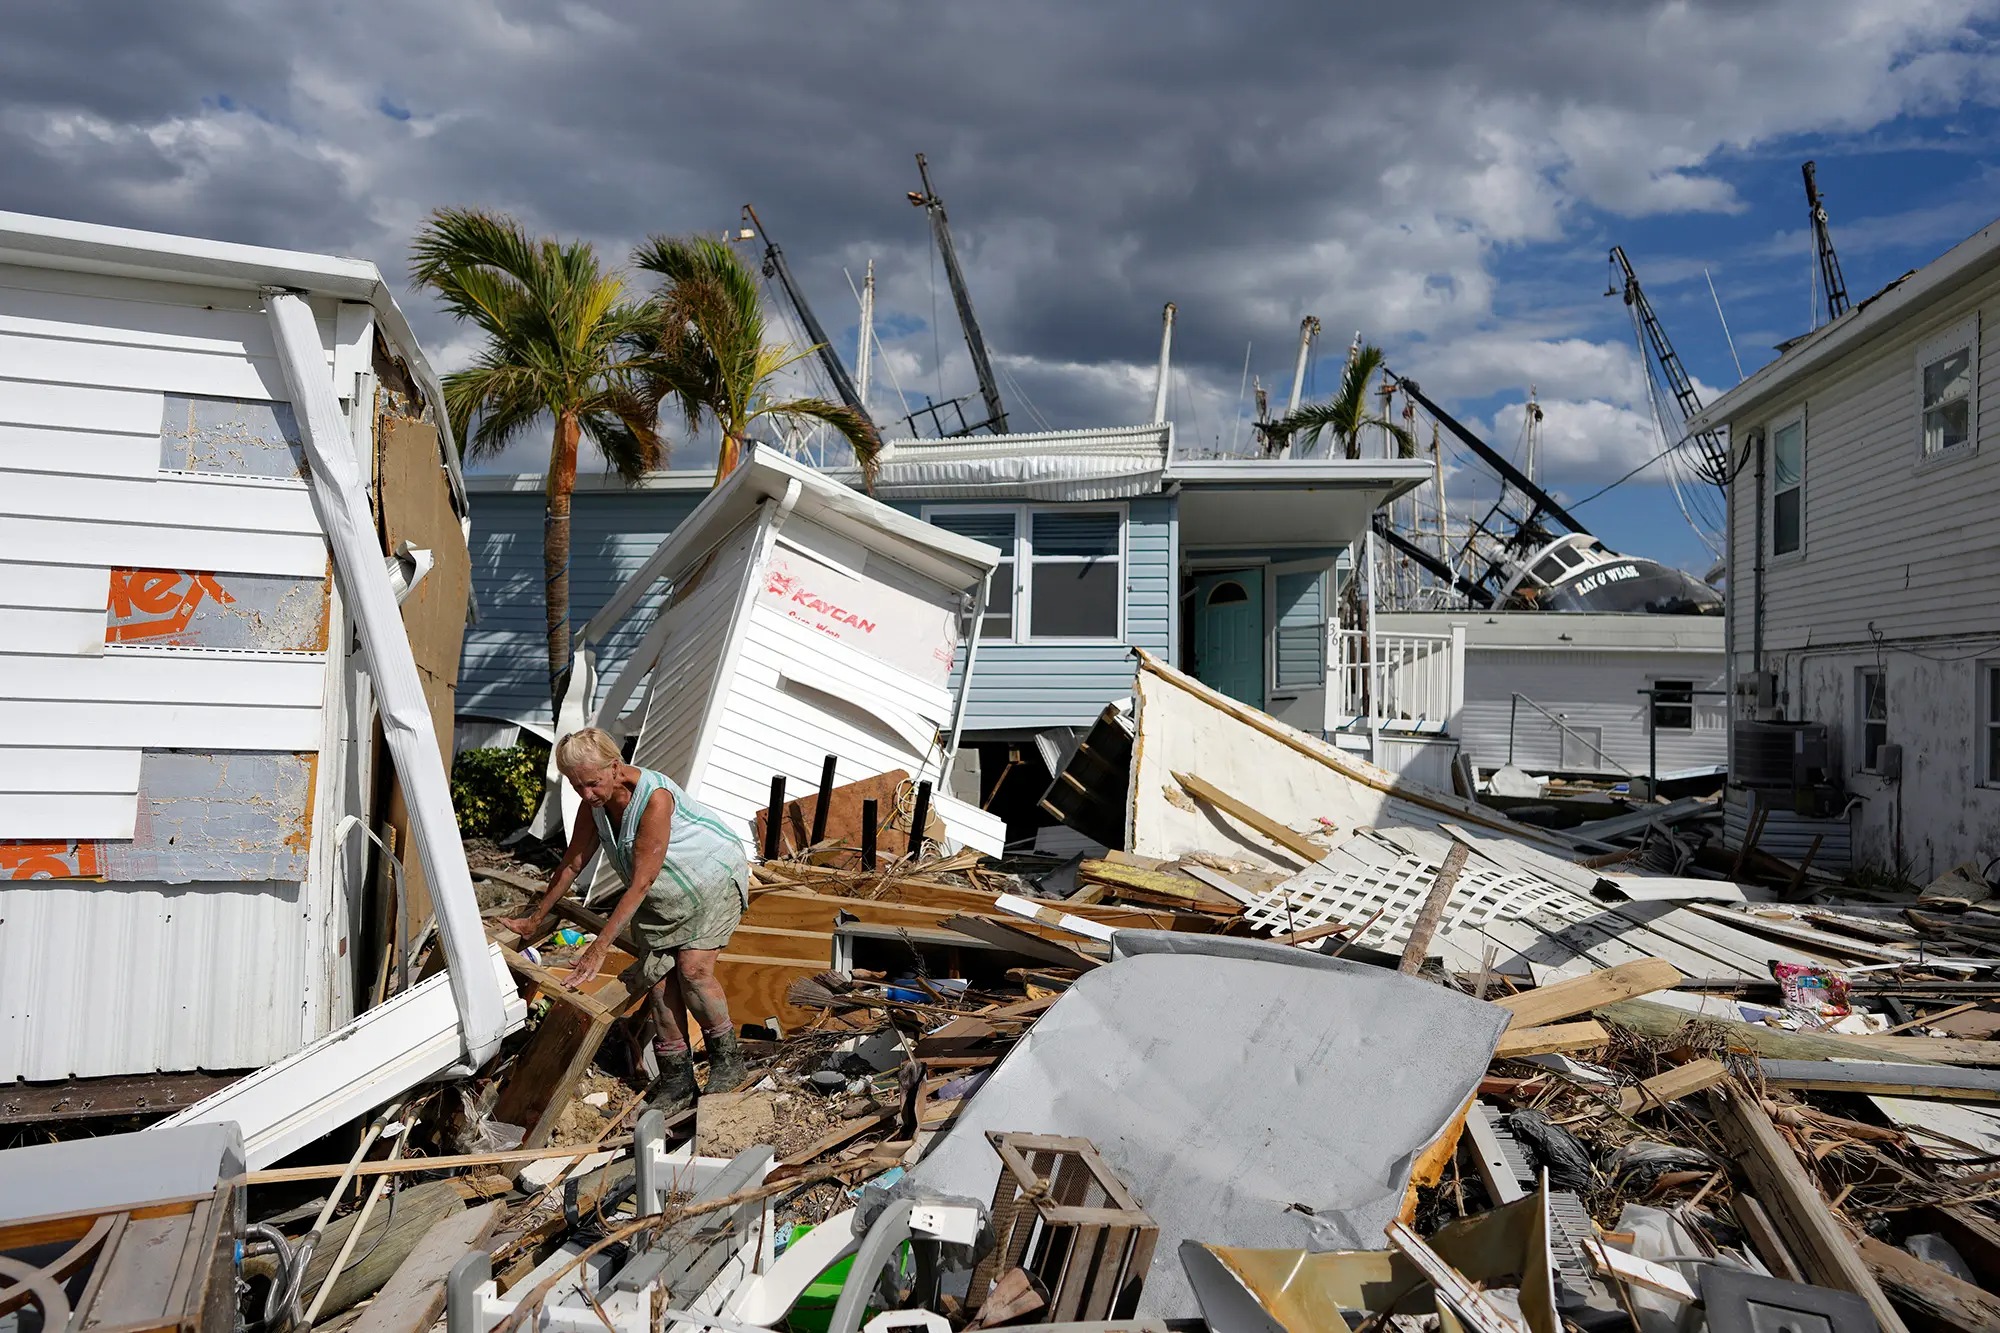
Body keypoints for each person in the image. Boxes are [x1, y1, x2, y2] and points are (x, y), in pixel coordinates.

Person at [497, 728, 749, 1114]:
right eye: (576, 786)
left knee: (692, 970)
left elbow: (642, 880)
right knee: (659, 981)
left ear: (615, 767)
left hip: (710, 880)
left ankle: (728, 1063)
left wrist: (599, 948)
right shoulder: (594, 804)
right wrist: (535, 918)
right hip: (665, 895)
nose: (586, 794)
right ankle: (678, 1081)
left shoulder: (655, 799)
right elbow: (572, 864)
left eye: (592, 783)